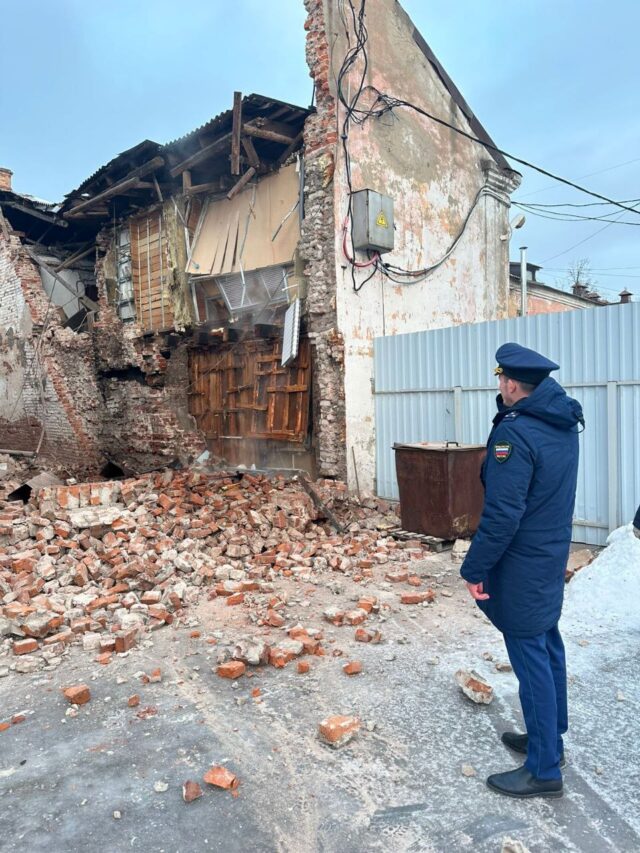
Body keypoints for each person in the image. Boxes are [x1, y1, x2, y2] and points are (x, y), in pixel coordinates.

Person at [460, 342, 584, 799]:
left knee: (531, 657)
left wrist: (475, 567)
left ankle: (544, 769)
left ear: (511, 384)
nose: (499, 385)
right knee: (547, 644)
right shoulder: (560, 420)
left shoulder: (516, 434)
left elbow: (502, 515)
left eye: (501, 379)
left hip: (523, 562)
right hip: (549, 553)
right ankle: (549, 739)